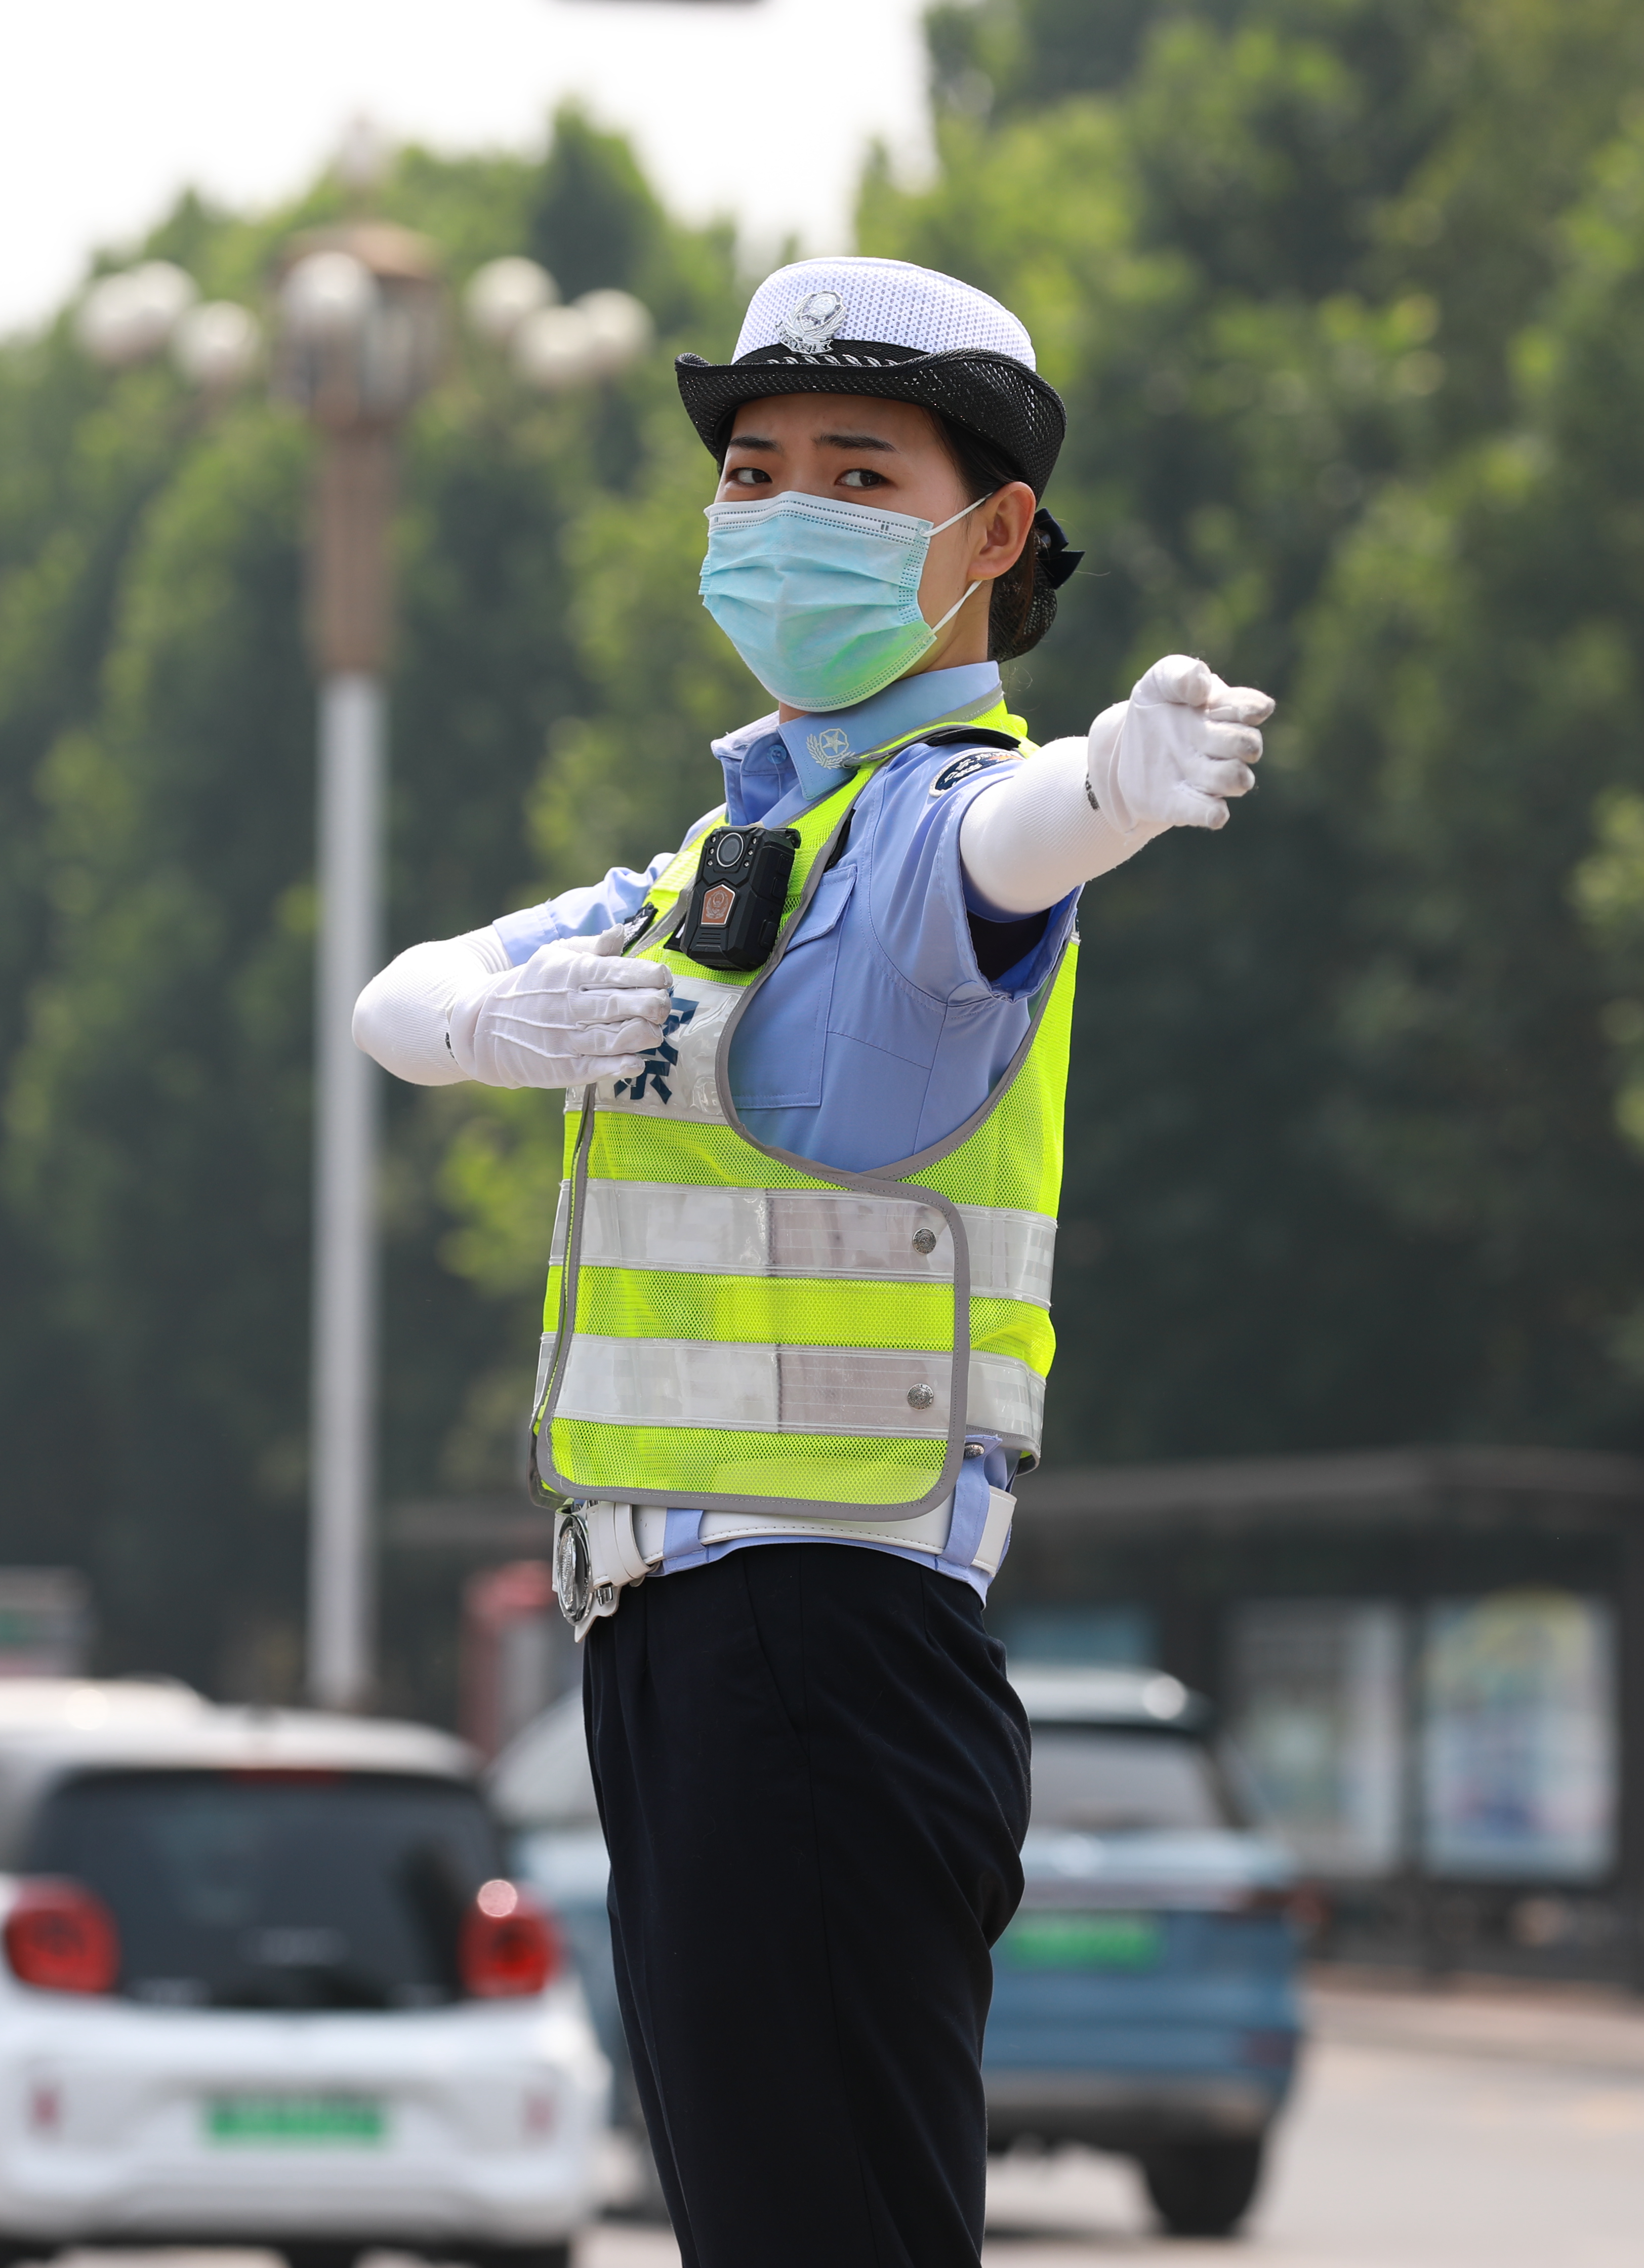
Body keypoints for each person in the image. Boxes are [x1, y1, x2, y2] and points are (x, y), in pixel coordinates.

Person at [353, 254, 1273, 2267]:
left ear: (995, 533)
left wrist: (1114, 787)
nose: (785, 516)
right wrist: (498, 1023)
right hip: (682, 1651)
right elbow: (395, 999)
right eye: (751, 469)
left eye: (859, 476)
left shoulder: (932, 822)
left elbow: (1005, 846)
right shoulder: (715, 865)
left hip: (830, 1650)